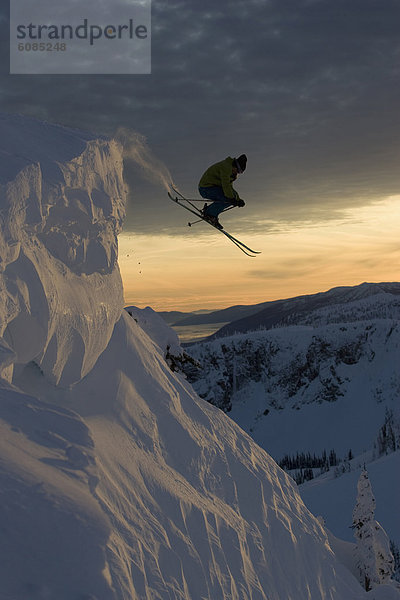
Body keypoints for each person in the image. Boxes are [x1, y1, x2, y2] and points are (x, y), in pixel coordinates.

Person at [198, 154, 247, 229]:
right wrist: (232, 199)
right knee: (226, 199)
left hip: (213, 187)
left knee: (229, 199)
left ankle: (211, 213)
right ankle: (209, 214)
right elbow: (226, 185)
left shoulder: (230, 171)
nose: (237, 173)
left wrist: (238, 199)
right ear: (235, 166)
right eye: (238, 171)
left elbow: (230, 188)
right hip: (205, 188)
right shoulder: (226, 168)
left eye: (240, 172)